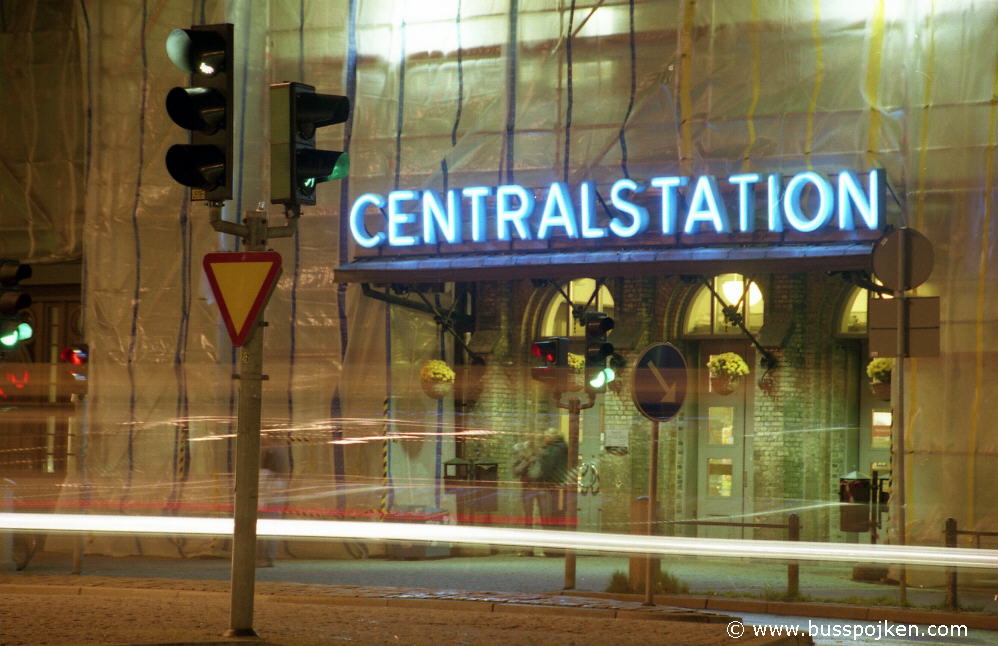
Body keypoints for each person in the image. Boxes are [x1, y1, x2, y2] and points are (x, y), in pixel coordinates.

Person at [257, 437, 291, 567]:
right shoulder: (278, 452)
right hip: (274, 499)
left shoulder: (271, 455)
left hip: (268, 501)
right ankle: (268, 557)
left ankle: (265, 557)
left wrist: (261, 503)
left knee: (264, 530)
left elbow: (264, 490)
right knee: (270, 529)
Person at [536, 428, 568, 539]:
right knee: (560, 513)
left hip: (554, 486)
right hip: (562, 485)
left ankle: (552, 545)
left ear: (552, 437)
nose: (545, 438)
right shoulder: (564, 447)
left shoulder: (554, 450)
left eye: (547, 436)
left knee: (552, 514)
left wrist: (541, 479)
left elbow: (547, 468)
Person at [511, 437, 542, 548]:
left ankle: (539, 547)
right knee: (528, 517)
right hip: (527, 489)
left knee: (540, 518)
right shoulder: (522, 459)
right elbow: (515, 472)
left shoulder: (540, 457)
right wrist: (525, 462)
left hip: (540, 489)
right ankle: (528, 547)